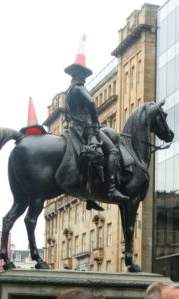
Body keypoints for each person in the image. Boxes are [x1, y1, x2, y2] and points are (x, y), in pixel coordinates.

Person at [62, 50, 128, 210]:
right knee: (112, 150)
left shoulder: (68, 92)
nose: (85, 78)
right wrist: (96, 123)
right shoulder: (79, 88)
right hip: (85, 127)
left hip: (73, 128)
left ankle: (89, 194)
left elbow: (67, 113)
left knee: (90, 157)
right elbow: (91, 102)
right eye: (83, 74)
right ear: (77, 74)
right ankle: (111, 189)